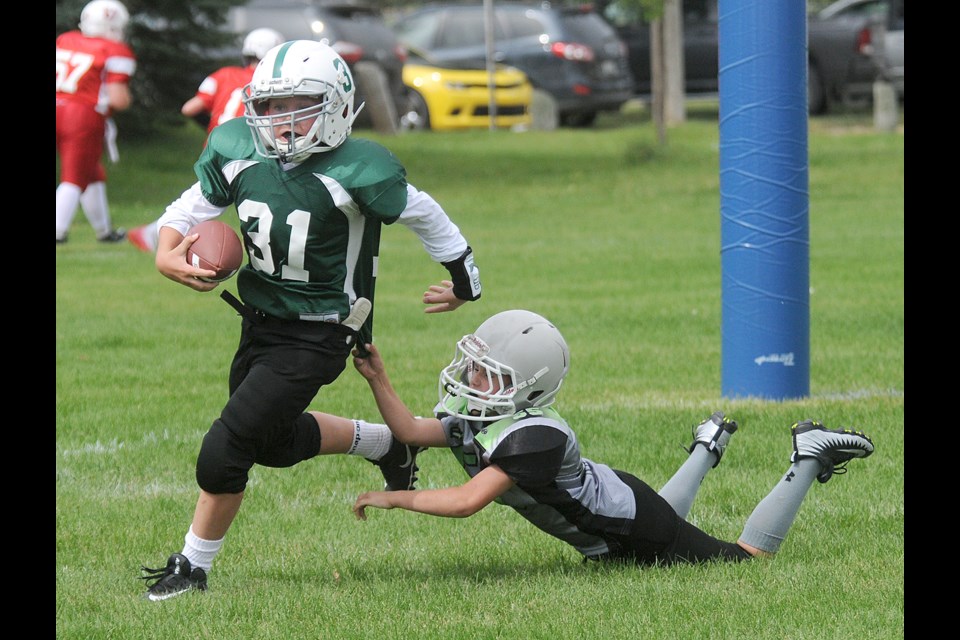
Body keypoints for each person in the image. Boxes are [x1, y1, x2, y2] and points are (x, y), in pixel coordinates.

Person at [138, 40, 483, 601]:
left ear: (338, 103)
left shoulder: (357, 167)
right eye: (272, 106)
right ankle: (389, 445)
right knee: (269, 445)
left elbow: (425, 214)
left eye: (300, 102)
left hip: (323, 328)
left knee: (224, 450)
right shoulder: (238, 149)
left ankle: (192, 568)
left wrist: (466, 282)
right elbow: (189, 208)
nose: (284, 120)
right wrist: (166, 250)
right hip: (259, 321)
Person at [350, 309, 875, 565]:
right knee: (664, 518)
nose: (472, 381)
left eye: (488, 374)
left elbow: (467, 501)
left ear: (527, 386)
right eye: (474, 367)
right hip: (620, 504)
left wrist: (396, 497)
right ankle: (706, 445)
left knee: (742, 560)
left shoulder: (533, 437)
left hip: (629, 528)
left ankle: (807, 456)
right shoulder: (489, 412)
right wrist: (379, 378)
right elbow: (411, 430)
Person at [127, 27, 286, 253]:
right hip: (254, 150)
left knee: (202, 202)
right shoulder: (272, 83)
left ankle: (154, 234)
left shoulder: (223, 74)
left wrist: (212, 130)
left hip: (219, 147)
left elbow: (189, 108)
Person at [56, 0, 135, 244]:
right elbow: (118, 98)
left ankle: (104, 231)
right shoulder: (114, 50)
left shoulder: (66, 39)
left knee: (91, 173)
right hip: (82, 115)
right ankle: (58, 229)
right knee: (74, 177)